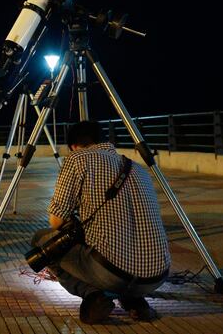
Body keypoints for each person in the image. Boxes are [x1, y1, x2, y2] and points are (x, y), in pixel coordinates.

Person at [30, 121, 170, 324]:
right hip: (157, 275)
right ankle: (134, 301)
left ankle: (94, 296)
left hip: (110, 273)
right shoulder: (138, 168)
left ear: (74, 146)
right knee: (120, 246)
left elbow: (56, 220)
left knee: (40, 241)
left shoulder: (77, 159)